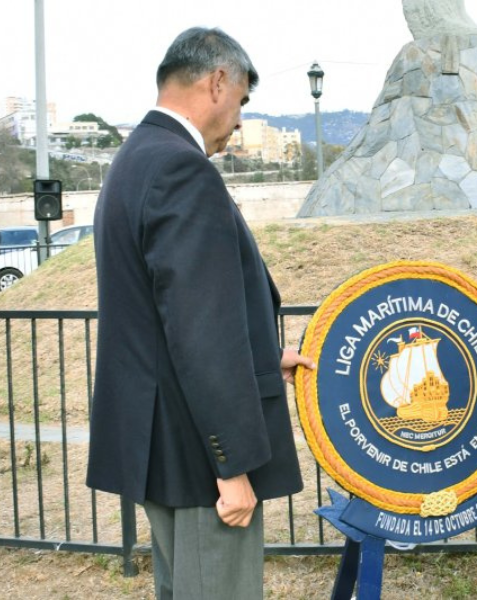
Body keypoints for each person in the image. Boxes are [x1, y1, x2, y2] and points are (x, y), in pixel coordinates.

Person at [86, 27, 314, 600]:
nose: (237, 120)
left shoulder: (133, 160)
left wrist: (264, 359)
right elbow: (199, 332)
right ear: (217, 82)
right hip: (200, 461)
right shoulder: (181, 170)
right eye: (240, 102)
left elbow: (165, 313)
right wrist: (232, 467)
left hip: (160, 445)